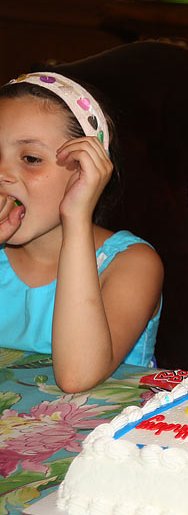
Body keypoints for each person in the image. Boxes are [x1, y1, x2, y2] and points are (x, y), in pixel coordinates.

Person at [0, 73, 163, 392]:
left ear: (84, 170)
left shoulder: (131, 264)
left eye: (31, 159)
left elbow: (78, 376)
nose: (2, 174)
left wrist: (76, 216)